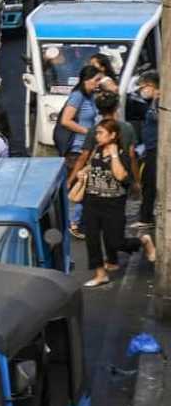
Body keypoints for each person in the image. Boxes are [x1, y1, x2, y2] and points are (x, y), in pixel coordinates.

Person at [77, 119, 155, 288]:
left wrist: (113, 155)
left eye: (100, 133)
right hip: (92, 201)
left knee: (115, 242)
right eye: (96, 132)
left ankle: (143, 241)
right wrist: (82, 173)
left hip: (113, 204)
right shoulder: (97, 150)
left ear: (113, 135)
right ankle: (100, 274)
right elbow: (91, 166)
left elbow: (120, 176)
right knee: (92, 239)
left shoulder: (122, 154)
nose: (96, 136)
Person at [59, 65, 103, 239]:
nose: (98, 83)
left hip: (88, 147)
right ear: (86, 80)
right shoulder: (77, 97)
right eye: (96, 80)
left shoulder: (91, 97)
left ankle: (77, 221)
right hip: (77, 149)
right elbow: (66, 120)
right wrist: (88, 132)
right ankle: (73, 223)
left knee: (83, 185)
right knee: (77, 184)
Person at [137, 71, 160, 227]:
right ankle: (146, 216)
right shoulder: (153, 101)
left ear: (152, 85)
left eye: (143, 87)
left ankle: (146, 218)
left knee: (150, 183)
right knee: (147, 182)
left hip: (157, 150)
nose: (142, 90)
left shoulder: (160, 102)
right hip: (150, 148)